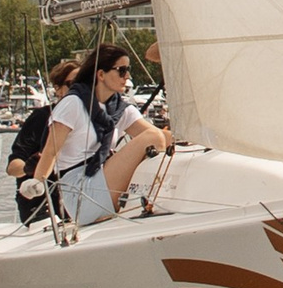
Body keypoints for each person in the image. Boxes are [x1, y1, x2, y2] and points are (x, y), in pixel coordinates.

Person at [20, 43, 172, 225]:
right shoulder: (73, 103)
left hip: (101, 181)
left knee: (158, 137)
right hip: (80, 193)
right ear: (101, 74)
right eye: (122, 70)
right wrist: (37, 182)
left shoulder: (119, 109)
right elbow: (51, 150)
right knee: (152, 138)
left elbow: (163, 137)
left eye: (128, 70)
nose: (127, 76)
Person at [6, 59, 79, 223]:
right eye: (73, 84)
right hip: (42, 207)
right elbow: (12, 167)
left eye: (86, 84)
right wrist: (28, 168)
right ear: (58, 89)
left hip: (80, 201)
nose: (81, 90)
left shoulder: (94, 118)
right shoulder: (41, 118)